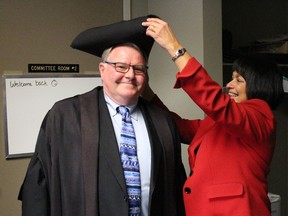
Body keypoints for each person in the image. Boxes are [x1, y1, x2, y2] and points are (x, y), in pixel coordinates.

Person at [18, 16, 186, 216]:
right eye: (121, 66)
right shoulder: (65, 117)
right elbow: (37, 190)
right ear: (102, 69)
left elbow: (177, 190)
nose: (130, 75)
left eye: (138, 69)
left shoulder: (162, 123)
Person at [142, 17, 284, 216]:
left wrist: (174, 48)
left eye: (239, 80)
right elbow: (178, 127)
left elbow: (215, 101)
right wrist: (146, 93)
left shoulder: (261, 116)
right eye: (232, 78)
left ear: (259, 85)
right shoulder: (220, 121)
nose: (230, 85)